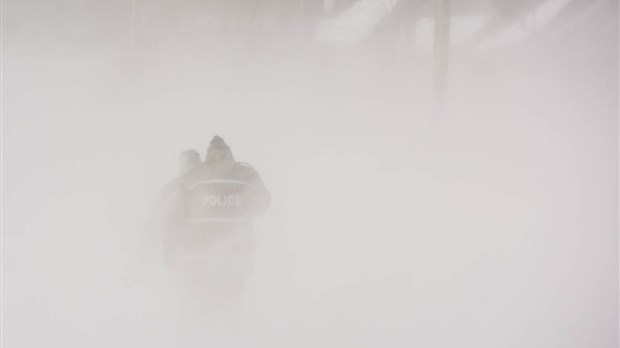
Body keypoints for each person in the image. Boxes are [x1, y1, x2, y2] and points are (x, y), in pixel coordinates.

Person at [165, 136, 270, 300]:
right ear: (229, 153)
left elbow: (176, 217)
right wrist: (241, 206)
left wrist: (170, 253)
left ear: (209, 153)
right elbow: (263, 202)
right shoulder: (246, 174)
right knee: (229, 313)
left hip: (198, 258)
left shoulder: (193, 176)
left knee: (198, 313)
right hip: (236, 258)